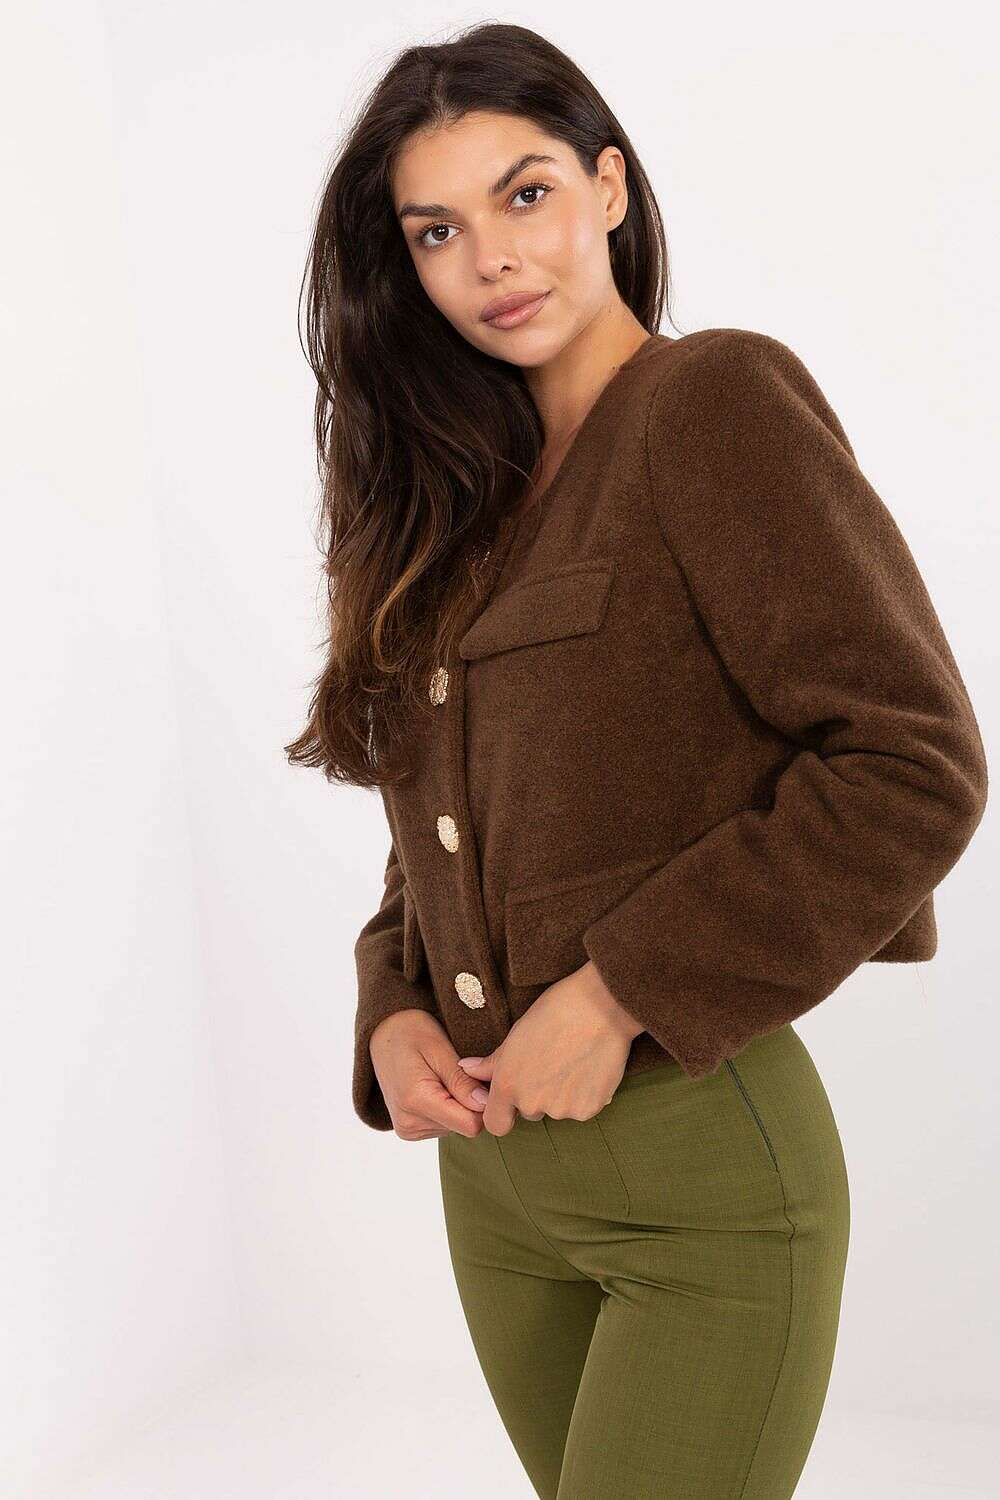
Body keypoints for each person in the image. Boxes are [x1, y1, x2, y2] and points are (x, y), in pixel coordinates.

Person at [285, 22, 988, 1499]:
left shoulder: (713, 403)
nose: (492, 258)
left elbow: (911, 762)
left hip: (696, 1172)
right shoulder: (459, 504)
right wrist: (390, 1008)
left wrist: (617, 993)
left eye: (527, 193)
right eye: (437, 231)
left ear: (609, 187)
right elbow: (448, 834)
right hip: (493, 1189)